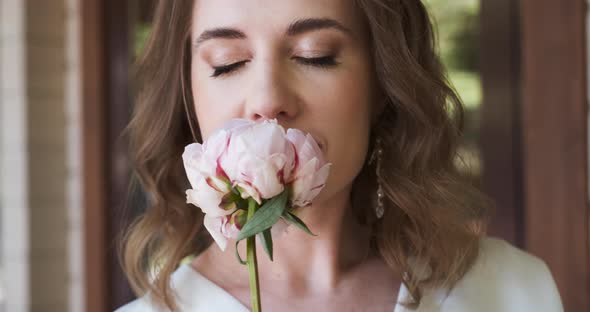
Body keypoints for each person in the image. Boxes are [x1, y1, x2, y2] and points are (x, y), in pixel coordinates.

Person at [116, 0, 563, 311]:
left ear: (383, 87)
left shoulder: (512, 291)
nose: (268, 100)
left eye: (316, 56)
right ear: (189, 94)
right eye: (228, 62)